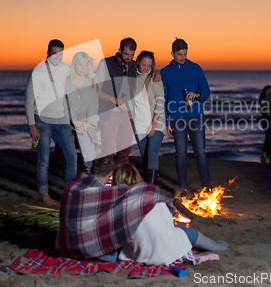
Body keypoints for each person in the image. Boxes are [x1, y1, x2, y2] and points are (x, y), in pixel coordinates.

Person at [55, 156, 170, 261]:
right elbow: (132, 193)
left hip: (66, 245)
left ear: (92, 170)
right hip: (85, 248)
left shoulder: (73, 185)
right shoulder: (103, 192)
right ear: (111, 173)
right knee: (116, 246)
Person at [112, 164, 228, 265]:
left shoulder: (116, 205)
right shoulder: (151, 194)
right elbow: (169, 224)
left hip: (140, 254)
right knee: (179, 231)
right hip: (166, 248)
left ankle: (190, 256)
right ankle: (216, 247)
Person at [25, 39, 78, 206]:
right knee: (44, 159)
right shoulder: (38, 72)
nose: (57, 57)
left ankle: (69, 193)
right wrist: (31, 124)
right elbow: (28, 99)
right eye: (54, 54)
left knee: (72, 157)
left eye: (60, 54)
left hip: (62, 121)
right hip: (42, 121)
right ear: (47, 53)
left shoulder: (67, 70)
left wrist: (72, 117)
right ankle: (45, 194)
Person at [161, 38, 211, 198]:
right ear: (172, 53)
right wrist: (167, 121)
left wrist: (197, 94)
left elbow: (207, 91)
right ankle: (182, 187)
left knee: (200, 153)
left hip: (196, 116)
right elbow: (163, 99)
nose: (182, 57)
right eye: (179, 54)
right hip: (177, 118)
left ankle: (207, 188)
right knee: (180, 153)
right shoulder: (165, 72)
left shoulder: (196, 68)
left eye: (185, 54)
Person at [96, 38, 138, 165]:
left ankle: (121, 181)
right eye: (126, 54)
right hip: (109, 112)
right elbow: (96, 90)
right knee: (107, 152)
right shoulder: (105, 63)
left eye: (132, 55)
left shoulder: (135, 65)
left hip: (129, 113)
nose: (129, 57)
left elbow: (148, 72)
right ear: (119, 50)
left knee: (124, 152)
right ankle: (107, 182)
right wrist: (113, 100)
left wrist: (156, 72)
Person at [133, 51, 167, 184]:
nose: (146, 68)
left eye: (149, 66)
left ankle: (150, 190)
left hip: (156, 122)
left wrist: (153, 124)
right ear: (137, 63)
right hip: (139, 123)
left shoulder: (155, 79)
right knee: (145, 158)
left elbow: (161, 101)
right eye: (143, 65)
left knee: (152, 155)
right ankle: (147, 187)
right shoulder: (132, 78)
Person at [66, 52, 99, 173]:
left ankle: (92, 180)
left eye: (86, 65)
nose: (83, 68)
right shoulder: (67, 82)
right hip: (69, 121)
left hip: (86, 122)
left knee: (89, 154)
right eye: (80, 65)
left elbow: (93, 104)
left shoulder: (91, 82)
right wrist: (73, 120)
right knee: (68, 156)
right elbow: (64, 104)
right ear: (74, 65)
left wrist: (89, 123)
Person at [259, 85, 271, 163]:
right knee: (268, 137)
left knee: (268, 137)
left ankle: (266, 153)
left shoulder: (266, 99)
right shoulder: (264, 99)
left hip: (266, 120)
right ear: (265, 91)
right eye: (269, 91)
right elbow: (265, 110)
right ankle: (265, 153)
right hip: (266, 120)